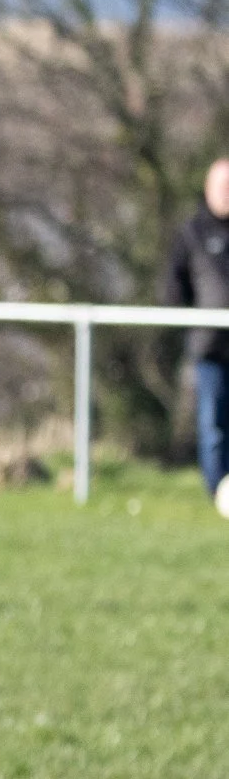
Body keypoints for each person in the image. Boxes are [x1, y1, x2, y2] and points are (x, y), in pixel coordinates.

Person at [162, 156, 229, 518]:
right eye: (223, 186)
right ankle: (217, 491)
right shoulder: (193, 232)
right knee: (213, 423)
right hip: (210, 346)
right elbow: (175, 286)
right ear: (208, 189)